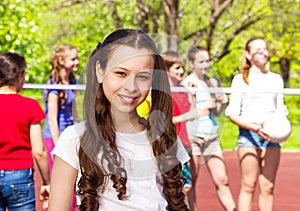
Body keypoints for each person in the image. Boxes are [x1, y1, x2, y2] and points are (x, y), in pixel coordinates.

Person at [48, 28, 190, 211]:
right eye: (121, 73)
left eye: (143, 77)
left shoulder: (164, 139)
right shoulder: (74, 139)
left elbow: (178, 202)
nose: (131, 87)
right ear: (100, 71)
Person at [225, 37, 288, 211]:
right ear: (247, 54)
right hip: (249, 136)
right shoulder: (240, 80)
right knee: (249, 185)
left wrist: (282, 126)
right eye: (257, 49)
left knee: (268, 186)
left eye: (265, 49)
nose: (262, 52)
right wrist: (255, 128)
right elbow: (232, 113)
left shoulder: (276, 79)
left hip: (272, 136)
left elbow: (280, 108)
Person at [181, 46, 236, 211]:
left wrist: (222, 102)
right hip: (193, 136)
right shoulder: (185, 83)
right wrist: (197, 108)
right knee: (191, 182)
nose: (206, 65)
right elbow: (184, 111)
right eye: (201, 61)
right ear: (191, 64)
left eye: (207, 61)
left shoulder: (212, 82)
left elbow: (217, 112)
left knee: (222, 179)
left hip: (211, 135)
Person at [0, 52, 50, 210]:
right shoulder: (30, 106)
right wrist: (47, 182)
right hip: (20, 175)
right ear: (20, 75)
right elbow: (39, 151)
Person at [161, 50, 210, 195]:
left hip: (183, 144)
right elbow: (166, 121)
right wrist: (189, 115)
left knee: (186, 186)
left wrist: (194, 97)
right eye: (177, 68)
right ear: (166, 69)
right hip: (168, 146)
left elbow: (191, 113)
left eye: (182, 67)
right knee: (170, 188)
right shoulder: (162, 91)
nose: (182, 71)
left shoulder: (183, 89)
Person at [43, 43, 79, 174]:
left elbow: (74, 113)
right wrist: (57, 145)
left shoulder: (72, 82)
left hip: (69, 134)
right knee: (60, 176)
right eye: (73, 59)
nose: (77, 62)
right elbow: (52, 118)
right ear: (61, 61)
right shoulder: (54, 84)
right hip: (55, 136)